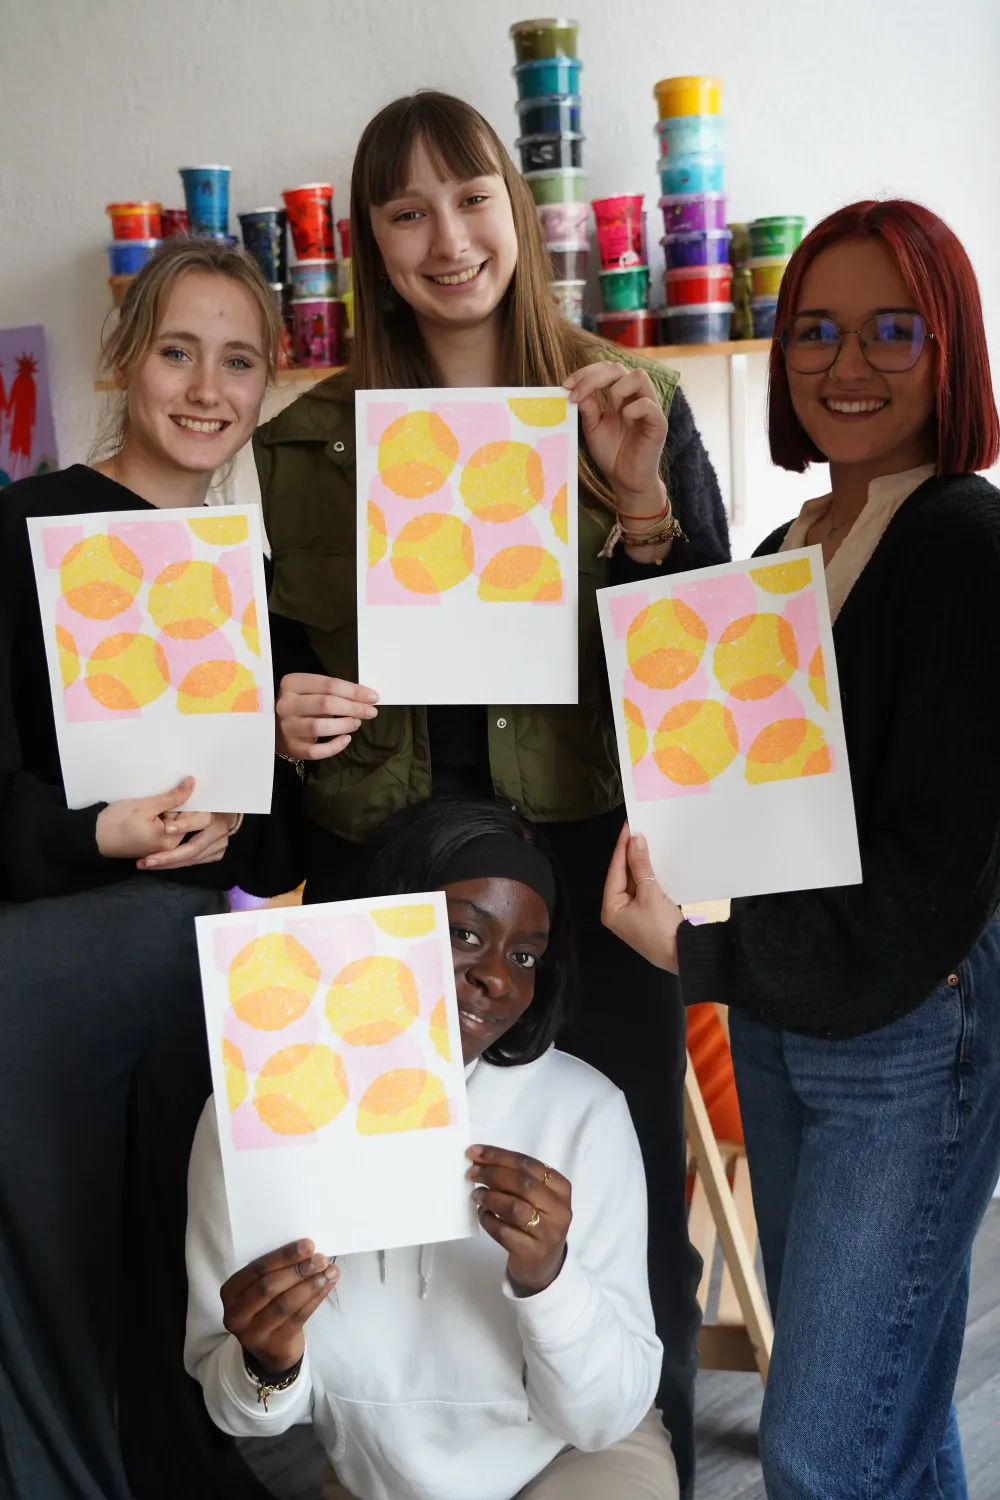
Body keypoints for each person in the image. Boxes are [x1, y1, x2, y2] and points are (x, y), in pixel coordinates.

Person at [259, 91, 730, 1494]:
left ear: (517, 213)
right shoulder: (306, 438)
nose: (447, 239)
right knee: (372, 1203)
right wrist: (280, 718)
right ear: (370, 242)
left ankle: (642, 1460)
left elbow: (707, 674)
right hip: (380, 868)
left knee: (627, 1186)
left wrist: (638, 501)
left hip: (585, 870)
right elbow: (269, 683)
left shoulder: (631, 396)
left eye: (470, 200)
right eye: (406, 212)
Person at [600, 199, 1000, 1500]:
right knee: (893, 1411)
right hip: (787, 1015)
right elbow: (695, 711)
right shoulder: (796, 546)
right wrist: (643, 500)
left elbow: (934, 873)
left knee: (822, 1450)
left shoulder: (966, 543)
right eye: (816, 332)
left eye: (893, 330)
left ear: (950, 349)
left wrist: (701, 954)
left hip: (907, 1029)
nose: (847, 363)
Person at [0, 238, 301, 1500]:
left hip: (189, 974)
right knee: (54, 1286)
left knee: (177, 1270)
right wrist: (95, 833)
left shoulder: (249, 573)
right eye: (178, 351)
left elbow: (270, 851)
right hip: (47, 972)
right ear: (125, 358)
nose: (206, 388)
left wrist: (268, 770)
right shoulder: (23, 527)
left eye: (238, 361)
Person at [186, 795, 678, 1500]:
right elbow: (243, 1413)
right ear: (376, 921)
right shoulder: (256, 1113)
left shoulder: (584, 1112)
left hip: (574, 1458)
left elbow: (602, 1418)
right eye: (464, 934)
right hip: (381, 1478)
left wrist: (550, 1277)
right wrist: (269, 1364)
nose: (498, 978)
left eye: (525, 956)